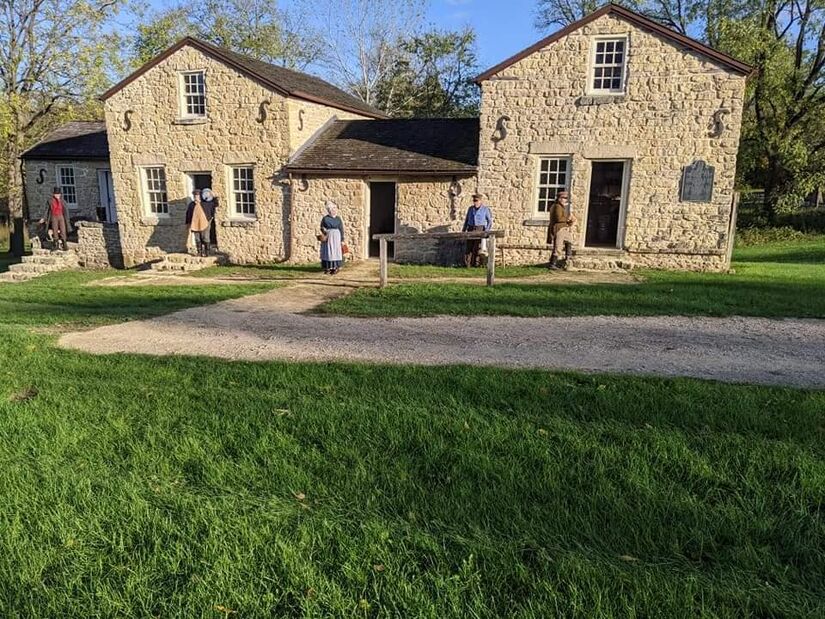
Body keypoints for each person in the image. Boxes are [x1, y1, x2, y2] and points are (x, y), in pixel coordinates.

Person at [462, 192, 493, 267]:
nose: (475, 202)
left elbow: (489, 221)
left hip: (480, 228)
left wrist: (486, 231)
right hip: (470, 228)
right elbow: (466, 220)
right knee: (469, 247)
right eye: (474, 201)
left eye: (476, 201)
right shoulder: (470, 209)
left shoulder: (485, 209)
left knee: (477, 247)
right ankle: (467, 264)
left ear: (480, 201)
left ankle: (476, 264)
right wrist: (463, 230)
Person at [547, 190, 576, 269]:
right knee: (558, 247)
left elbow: (563, 220)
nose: (565, 200)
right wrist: (568, 218)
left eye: (566, 198)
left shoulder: (561, 207)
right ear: (559, 198)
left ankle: (568, 257)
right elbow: (558, 218)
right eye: (564, 198)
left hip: (563, 228)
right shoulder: (557, 206)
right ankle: (552, 264)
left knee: (569, 240)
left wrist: (570, 221)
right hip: (558, 229)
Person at [185, 188, 217, 257]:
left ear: (200, 196)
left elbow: (215, 204)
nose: (196, 197)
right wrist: (188, 223)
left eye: (197, 195)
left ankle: (207, 252)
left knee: (205, 237)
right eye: (195, 196)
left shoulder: (206, 203)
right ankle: (199, 252)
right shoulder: (192, 205)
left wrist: (214, 197)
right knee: (197, 238)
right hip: (195, 223)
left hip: (205, 222)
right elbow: (188, 214)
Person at [38, 187, 70, 251]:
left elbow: (66, 211)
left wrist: (67, 218)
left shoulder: (63, 201)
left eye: (58, 194)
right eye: (56, 194)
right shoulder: (50, 201)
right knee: (54, 229)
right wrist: (43, 218)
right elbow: (46, 210)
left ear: (60, 195)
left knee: (63, 229)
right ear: (53, 194)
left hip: (61, 216)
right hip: (54, 216)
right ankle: (56, 244)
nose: (57, 195)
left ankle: (64, 243)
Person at [319, 201, 345, 274]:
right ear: (329, 210)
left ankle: (335, 267)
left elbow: (341, 229)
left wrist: (342, 239)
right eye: (332, 209)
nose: (334, 210)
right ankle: (327, 268)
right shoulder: (325, 218)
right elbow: (321, 227)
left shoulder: (338, 219)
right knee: (328, 252)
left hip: (337, 237)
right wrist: (324, 231)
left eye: (335, 208)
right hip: (329, 236)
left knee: (336, 252)